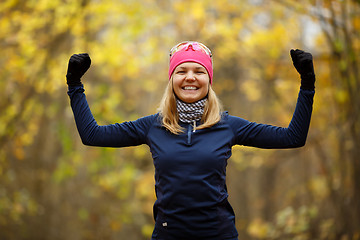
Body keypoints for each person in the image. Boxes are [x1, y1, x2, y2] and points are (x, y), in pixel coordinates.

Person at [66, 41, 315, 240]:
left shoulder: (228, 126)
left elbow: (292, 137)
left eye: (199, 71)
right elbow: (93, 135)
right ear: (172, 79)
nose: (190, 77)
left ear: (209, 80)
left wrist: (307, 85)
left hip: (219, 234)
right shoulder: (153, 125)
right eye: (181, 71)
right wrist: (75, 85)